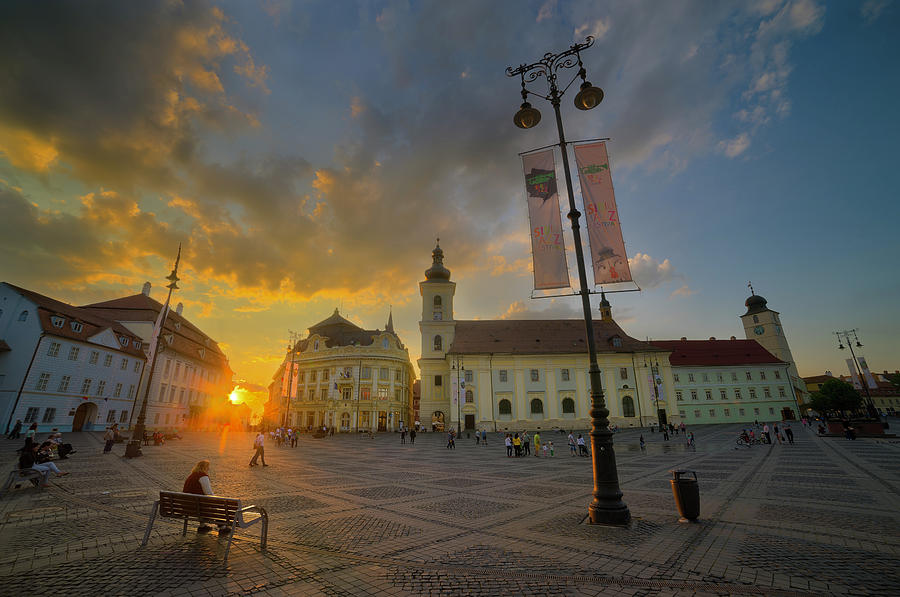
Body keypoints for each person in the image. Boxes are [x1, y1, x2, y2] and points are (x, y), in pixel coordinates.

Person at [183, 460, 230, 534]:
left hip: (187, 506)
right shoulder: (203, 476)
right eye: (208, 468)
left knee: (203, 504)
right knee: (217, 504)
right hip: (198, 506)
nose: (208, 469)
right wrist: (218, 499)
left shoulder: (191, 476)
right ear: (205, 468)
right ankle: (223, 527)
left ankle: (202, 526)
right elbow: (208, 493)